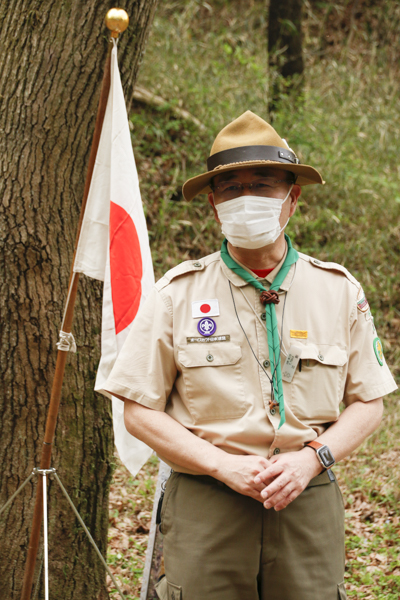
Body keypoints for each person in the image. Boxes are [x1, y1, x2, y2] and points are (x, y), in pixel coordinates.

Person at [103, 111, 397, 600]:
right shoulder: (177, 293)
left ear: (291, 199)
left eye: (262, 185)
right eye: (231, 189)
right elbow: (138, 410)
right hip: (207, 503)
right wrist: (223, 466)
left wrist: (311, 460)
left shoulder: (338, 291)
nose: (246, 200)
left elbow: (371, 402)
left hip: (307, 497)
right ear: (214, 205)